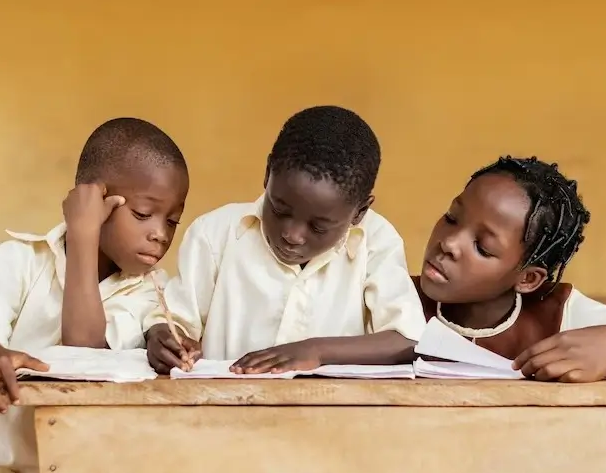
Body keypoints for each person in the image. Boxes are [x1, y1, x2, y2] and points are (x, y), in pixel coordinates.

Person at [0, 117, 189, 473]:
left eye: (172, 221)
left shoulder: (152, 290)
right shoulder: (19, 262)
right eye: (144, 214)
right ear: (93, 200)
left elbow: (83, 352)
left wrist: (84, 236)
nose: (160, 234)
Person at [145, 105, 426, 374]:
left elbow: (407, 339)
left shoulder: (376, 240)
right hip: (226, 413)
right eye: (279, 209)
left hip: (334, 418)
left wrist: (316, 351)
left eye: (318, 227)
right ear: (268, 174)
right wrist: (164, 338)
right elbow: (173, 322)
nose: (291, 235)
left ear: (359, 212)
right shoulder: (214, 234)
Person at [414, 155, 606, 382]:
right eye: (451, 218)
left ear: (528, 278)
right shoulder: (391, 294)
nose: (448, 243)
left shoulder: (561, 315)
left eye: (483, 247)